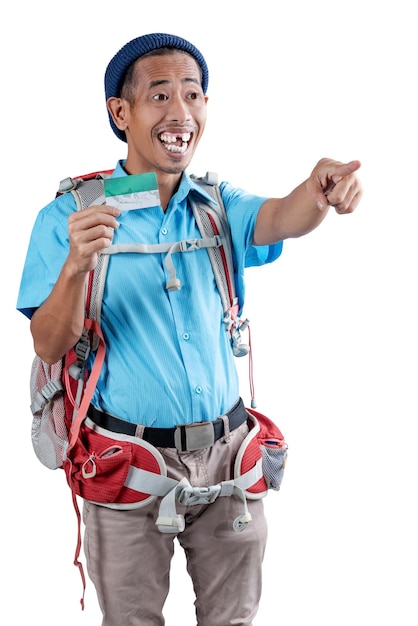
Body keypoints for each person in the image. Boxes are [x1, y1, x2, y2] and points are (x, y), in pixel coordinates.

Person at [17, 32, 362, 626]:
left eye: (194, 95)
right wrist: (76, 264)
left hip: (230, 461)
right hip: (126, 465)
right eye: (160, 96)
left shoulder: (216, 207)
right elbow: (49, 342)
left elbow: (282, 215)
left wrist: (318, 190)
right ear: (120, 114)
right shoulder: (69, 217)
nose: (182, 113)